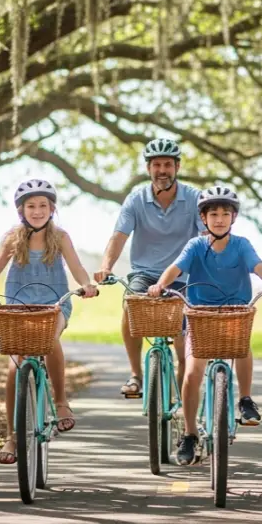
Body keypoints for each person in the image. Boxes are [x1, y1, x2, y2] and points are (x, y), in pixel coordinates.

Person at [148, 185, 262, 466]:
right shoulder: (196, 245)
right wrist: (161, 284)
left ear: (233, 218)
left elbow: (258, 265)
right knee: (192, 371)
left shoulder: (241, 245)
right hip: (200, 313)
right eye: (214, 214)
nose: (220, 218)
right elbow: (176, 268)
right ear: (204, 218)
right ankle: (189, 434)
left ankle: (246, 400)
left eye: (226, 213)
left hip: (235, 310)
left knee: (242, 347)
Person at [0, 178, 98, 465]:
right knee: (14, 368)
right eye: (30, 206)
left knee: (50, 339)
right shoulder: (13, 239)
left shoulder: (60, 237)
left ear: (52, 209)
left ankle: (61, 402)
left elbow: (77, 267)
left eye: (42, 205)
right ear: (21, 211)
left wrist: (87, 285)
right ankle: (12, 435)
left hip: (54, 306)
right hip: (18, 307)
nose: (37, 211)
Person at [91, 140, 202, 398]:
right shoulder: (136, 199)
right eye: (156, 165)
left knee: (182, 332)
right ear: (148, 168)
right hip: (144, 273)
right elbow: (119, 236)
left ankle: (183, 393)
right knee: (130, 307)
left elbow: (207, 236)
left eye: (167, 165)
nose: (162, 170)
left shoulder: (195, 198)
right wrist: (106, 267)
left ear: (177, 167)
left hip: (183, 274)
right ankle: (136, 375)